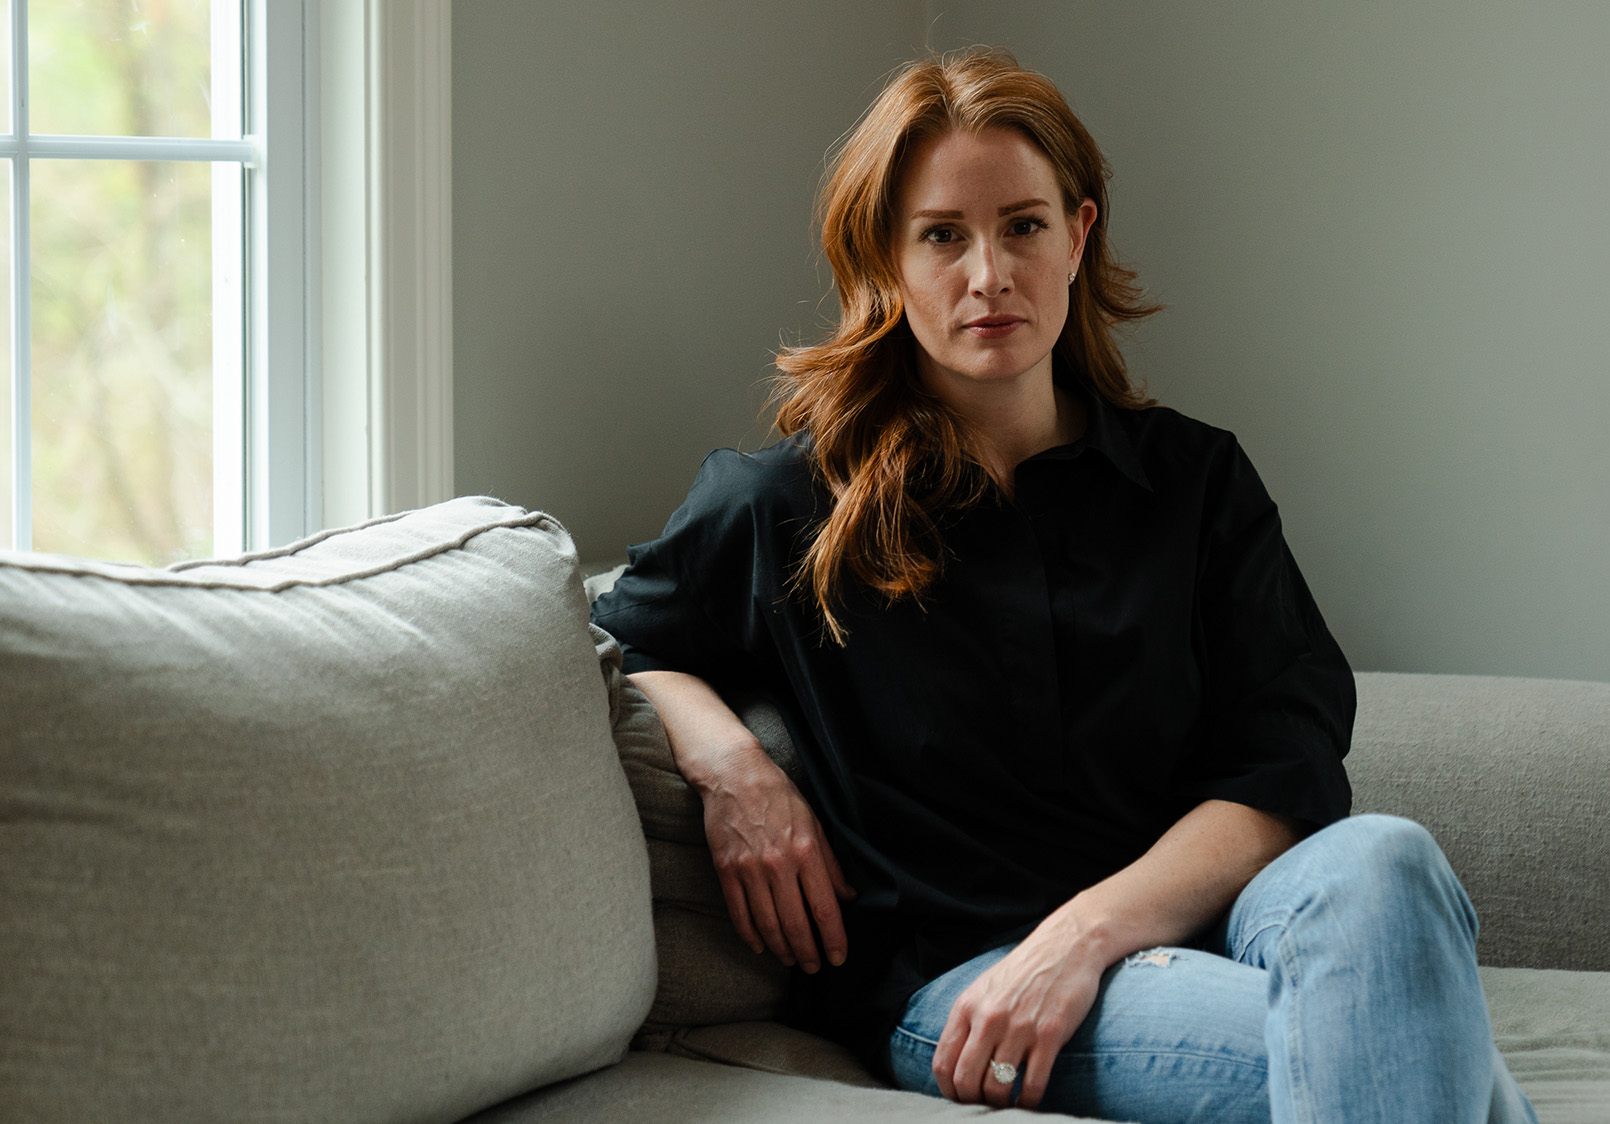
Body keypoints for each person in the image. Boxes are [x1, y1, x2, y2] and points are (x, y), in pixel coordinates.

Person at [591, 48, 1537, 1124]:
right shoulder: (786, 504)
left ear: (1078, 235)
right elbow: (612, 636)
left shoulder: (1194, 482)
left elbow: (1286, 762)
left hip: (1212, 919)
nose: (987, 273)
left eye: (1023, 226)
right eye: (941, 234)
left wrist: (1081, 937)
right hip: (961, 975)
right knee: (1394, 1046)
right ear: (883, 258)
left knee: (1386, 855)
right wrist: (731, 768)